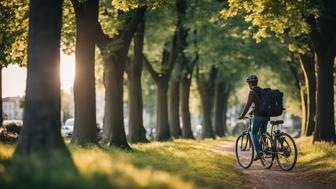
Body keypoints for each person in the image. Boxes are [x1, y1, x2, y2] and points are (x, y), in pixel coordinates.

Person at [238, 75, 269, 161]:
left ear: (250, 83)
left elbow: (248, 105)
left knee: (254, 133)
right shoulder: (261, 91)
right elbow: (261, 104)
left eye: (248, 83)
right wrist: (252, 111)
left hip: (258, 116)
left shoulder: (252, 92)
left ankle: (259, 152)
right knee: (263, 133)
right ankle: (265, 148)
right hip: (266, 116)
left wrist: (242, 115)